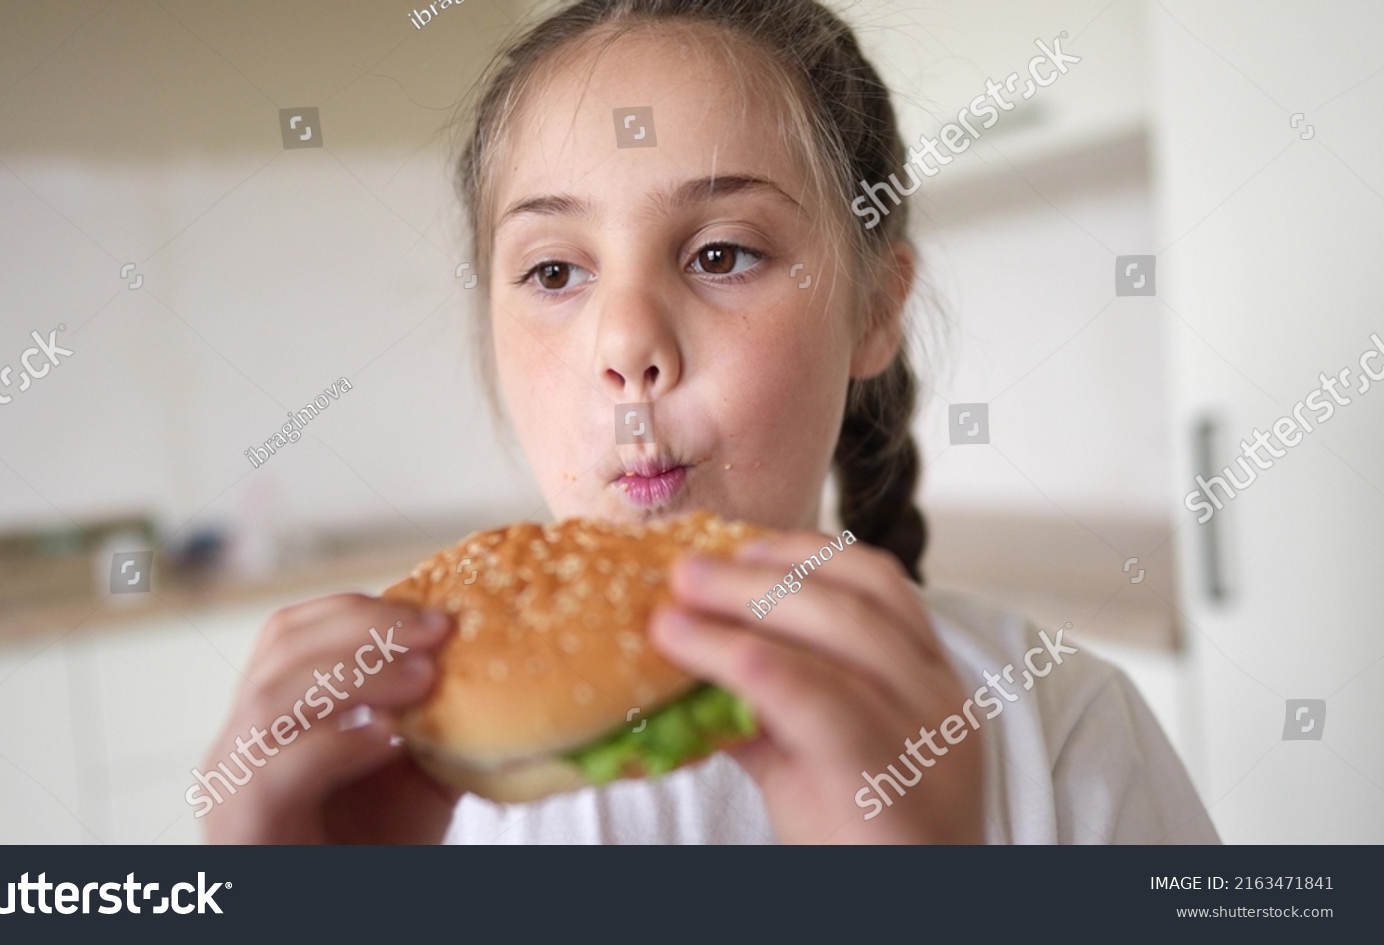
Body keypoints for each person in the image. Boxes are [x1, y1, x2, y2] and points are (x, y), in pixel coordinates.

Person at [201, 0, 1219, 844]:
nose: (628, 345)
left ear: (872, 309)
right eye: (555, 270)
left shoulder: (1068, 734)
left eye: (722, 254)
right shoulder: (390, 778)